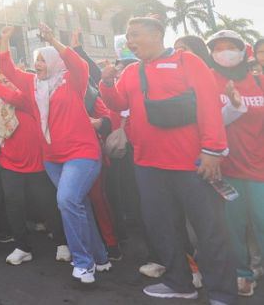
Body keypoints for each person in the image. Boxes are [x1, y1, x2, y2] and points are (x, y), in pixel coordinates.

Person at [100, 17, 236, 303]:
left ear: (157, 34)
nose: (129, 41)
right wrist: (107, 81)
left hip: (192, 164)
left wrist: (212, 151)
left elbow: (210, 104)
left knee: (209, 230)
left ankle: (222, 294)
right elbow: (118, 104)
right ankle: (179, 282)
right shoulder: (131, 71)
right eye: (127, 36)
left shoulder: (187, 62)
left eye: (134, 34)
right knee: (162, 227)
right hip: (148, 165)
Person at [0, 24, 107, 284]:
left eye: (42, 60)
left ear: (54, 62)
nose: (38, 64)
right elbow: (8, 69)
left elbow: (80, 65)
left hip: (82, 152)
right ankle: (101, 257)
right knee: (77, 204)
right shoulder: (32, 85)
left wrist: (53, 40)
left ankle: (83, 263)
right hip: (53, 160)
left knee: (67, 200)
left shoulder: (71, 80)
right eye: (36, 60)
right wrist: (4, 40)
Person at [0, 64, 66, 266]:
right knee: (14, 205)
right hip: (9, 163)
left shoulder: (29, 99)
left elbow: (12, 97)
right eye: (1, 79)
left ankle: (62, 242)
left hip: (36, 164)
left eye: (7, 79)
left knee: (47, 204)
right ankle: (23, 247)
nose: (4, 83)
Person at [205, 30, 264, 298]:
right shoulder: (208, 83)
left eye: (231, 46)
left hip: (260, 168)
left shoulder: (260, 82)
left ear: (244, 52)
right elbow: (206, 125)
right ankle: (242, 273)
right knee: (233, 226)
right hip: (226, 171)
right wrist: (231, 108)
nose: (225, 52)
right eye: (219, 47)